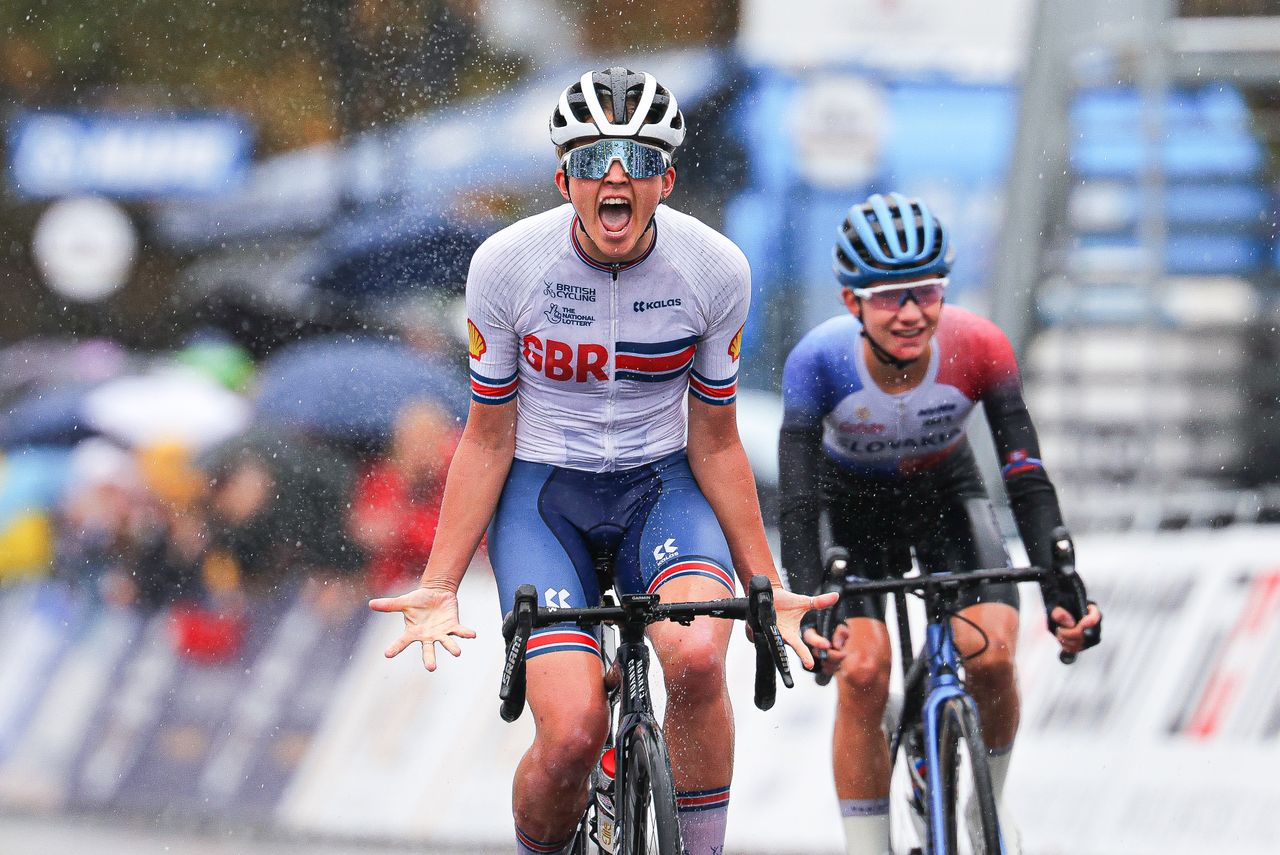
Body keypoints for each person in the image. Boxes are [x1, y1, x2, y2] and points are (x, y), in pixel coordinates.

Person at [370, 67, 836, 855]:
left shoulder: (716, 267)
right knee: (574, 733)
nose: (614, 178)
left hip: (662, 488)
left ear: (667, 180)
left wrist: (769, 580)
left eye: (638, 160)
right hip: (546, 497)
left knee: (693, 654)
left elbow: (717, 438)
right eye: (592, 162)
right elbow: (487, 436)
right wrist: (441, 582)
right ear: (563, 180)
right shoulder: (507, 265)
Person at [779, 193, 1102, 855]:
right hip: (854, 511)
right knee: (864, 671)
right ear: (852, 305)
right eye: (889, 297)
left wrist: (1062, 585)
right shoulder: (818, 362)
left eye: (925, 293)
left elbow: (1025, 475)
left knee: (995, 651)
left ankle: (989, 806)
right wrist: (808, 600)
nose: (910, 313)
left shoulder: (979, 345)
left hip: (946, 496)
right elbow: (800, 501)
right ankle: (867, 844)